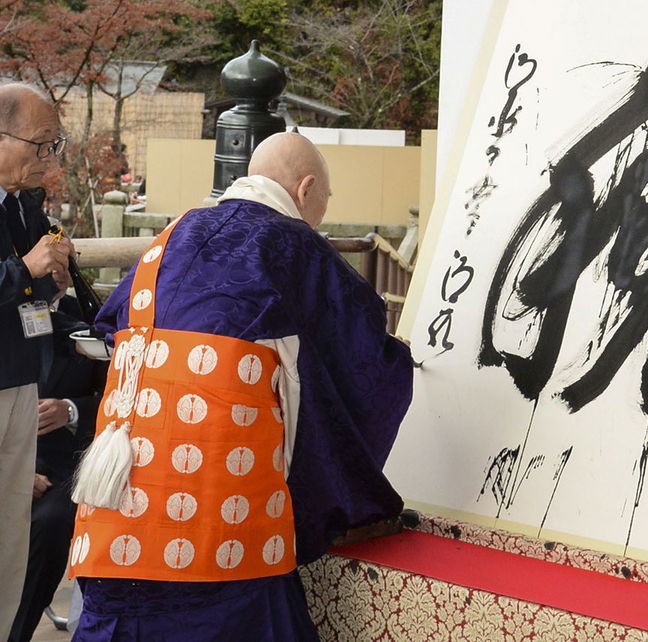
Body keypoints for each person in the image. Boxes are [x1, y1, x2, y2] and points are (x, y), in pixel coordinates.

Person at [68, 132, 414, 641]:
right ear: (306, 188)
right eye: (326, 198)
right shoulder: (294, 246)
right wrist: (401, 359)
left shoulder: (172, 236)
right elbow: (364, 365)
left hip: (114, 513)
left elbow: (108, 327)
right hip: (221, 523)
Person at [0, 84, 74, 640]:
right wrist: (27, 268)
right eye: (41, 143)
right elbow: (15, 276)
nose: (47, 158)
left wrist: (52, 284)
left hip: (21, 378)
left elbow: (30, 300)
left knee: (10, 538)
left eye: (54, 145)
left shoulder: (25, 203)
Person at [7, 310, 104, 642]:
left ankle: (15, 634)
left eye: (68, 258)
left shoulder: (90, 317)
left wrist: (72, 409)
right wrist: (15, 472)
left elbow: (117, 394)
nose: (59, 267)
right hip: (9, 463)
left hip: (65, 468)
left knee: (50, 523)